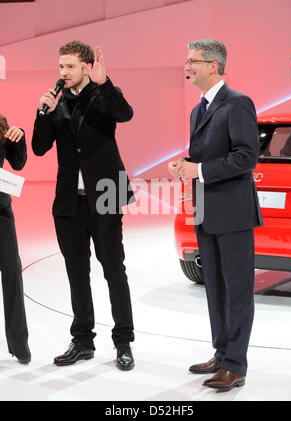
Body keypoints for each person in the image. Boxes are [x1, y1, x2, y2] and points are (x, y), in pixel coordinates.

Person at [32, 40, 135, 370]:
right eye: (61, 66)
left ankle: (123, 342)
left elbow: (125, 114)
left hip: (105, 194)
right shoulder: (57, 102)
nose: (63, 73)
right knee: (77, 272)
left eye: (70, 66)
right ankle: (82, 340)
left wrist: (106, 84)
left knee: (113, 269)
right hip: (68, 203)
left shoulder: (103, 95)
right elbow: (39, 147)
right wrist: (42, 114)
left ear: (87, 67)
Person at [168, 39, 263, 391]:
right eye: (186, 59)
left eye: (193, 60)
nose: (187, 65)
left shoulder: (238, 103)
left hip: (234, 213)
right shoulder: (199, 110)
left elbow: (246, 156)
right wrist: (187, 166)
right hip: (207, 211)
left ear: (214, 66)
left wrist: (200, 170)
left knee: (237, 290)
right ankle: (222, 352)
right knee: (216, 290)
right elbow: (207, 157)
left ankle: (236, 365)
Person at [0, 114, 31, 364]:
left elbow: (18, 164)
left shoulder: (1, 124)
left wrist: (18, 135)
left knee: (12, 271)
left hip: (0, 211)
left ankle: (19, 345)